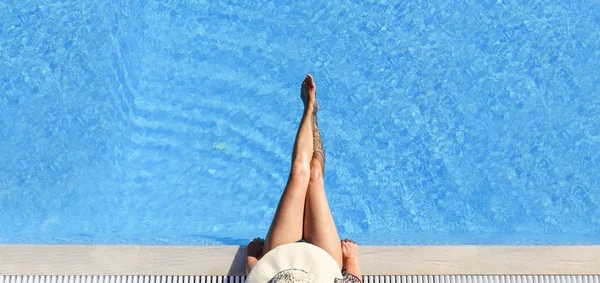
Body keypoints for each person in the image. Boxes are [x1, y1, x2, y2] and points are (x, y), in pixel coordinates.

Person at [245, 75, 362, 283]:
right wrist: (351, 259)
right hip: (323, 263)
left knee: (300, 170)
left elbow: (254, 276)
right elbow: (355, 280)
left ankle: (308, 109)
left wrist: (252, 258)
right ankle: (313, 115)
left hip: (280, 260)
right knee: (314, 174)